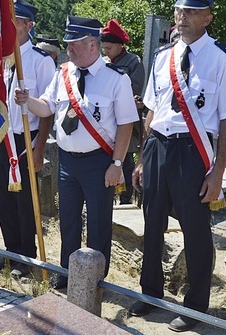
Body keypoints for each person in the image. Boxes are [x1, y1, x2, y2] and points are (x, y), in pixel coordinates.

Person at [129, 0, 226, 332]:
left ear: (208, 17)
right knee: (152, 224)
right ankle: (150, 294)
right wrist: (142, 160)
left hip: (191, 151)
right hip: (157, 147)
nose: (182, 17)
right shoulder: (161, 56)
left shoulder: (223, 59)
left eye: (192, 11)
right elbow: (152, 110)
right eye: (180, 10)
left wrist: (218, 172)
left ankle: (195, 306)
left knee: (195, 229)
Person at [15, 16, 138, 289]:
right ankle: (67, 273)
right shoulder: (63, 73)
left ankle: (94, 279)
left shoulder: (116, 79)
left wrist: (117, 163)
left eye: (75, 44)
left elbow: (126, 123)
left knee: (98, 223)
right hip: (67, 161)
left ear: (93, 44)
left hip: (99, 161)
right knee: (68, 219)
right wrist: (28, 101)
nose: (69, 49)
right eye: (68, 44)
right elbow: (47, 107)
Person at [0, 0, 54, 278]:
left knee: (25, 202)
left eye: (17, 22)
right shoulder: (0, 58)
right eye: (9, 21)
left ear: (29, 25)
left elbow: (49, 110)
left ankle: (26, 258)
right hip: (1, 137)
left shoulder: (40, 61)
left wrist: (39, 150)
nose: (12, 26)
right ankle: (10, 251)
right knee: (2, 200)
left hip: (26, 139)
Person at [100, 19, 145, 205]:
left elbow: (134, 91)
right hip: (104, 120)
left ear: (120, 45)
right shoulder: (101, 62)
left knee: (125, 159)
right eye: (104, 47)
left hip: (126, 120)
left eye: (109, 48)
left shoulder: (134, 62)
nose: (106, 52)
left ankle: (126, 199)